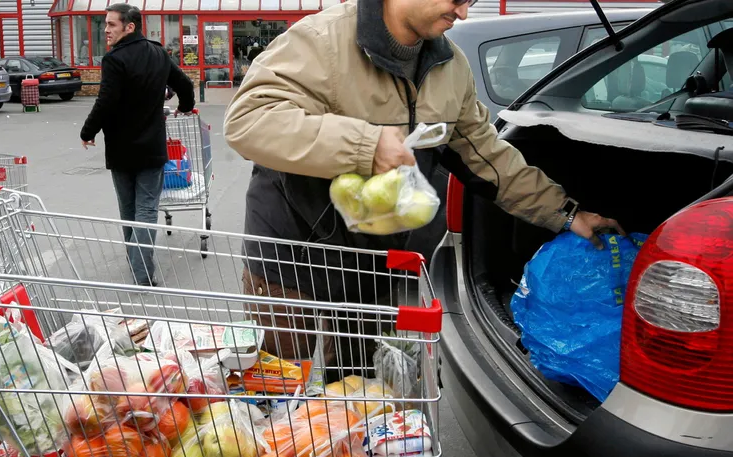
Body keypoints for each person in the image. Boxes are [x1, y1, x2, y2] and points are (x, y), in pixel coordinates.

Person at [224, 0, 625, 379]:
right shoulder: (322, 41)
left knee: (358, 386)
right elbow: (249, 120)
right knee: (276, 387)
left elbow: (488, 156)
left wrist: (566, 213)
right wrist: (366, 145)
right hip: (293, 249)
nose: (464, 13)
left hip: (371, 257)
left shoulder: (451, 67)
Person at [80, 4, 195, 286]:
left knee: (129, 211)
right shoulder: (158, 53)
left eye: (112, 25)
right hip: (152, 147)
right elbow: (184, 84)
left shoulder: (114, 60)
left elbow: (105, 100)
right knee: (146, 210)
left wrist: (88, 131)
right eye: (105, 24)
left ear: (129, 27)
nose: (105, 30)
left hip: (121, 148)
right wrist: (186, 106)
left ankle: (139, 268)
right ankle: (142, 272)